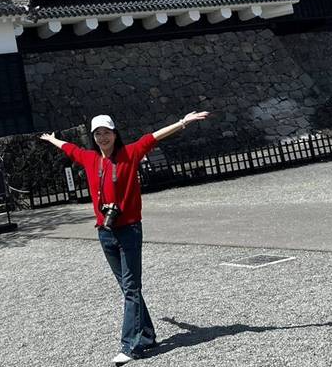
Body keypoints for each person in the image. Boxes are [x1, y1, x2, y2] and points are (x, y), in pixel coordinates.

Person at [40, 110, 210, 366]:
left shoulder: (129, 154)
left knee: (131, 288)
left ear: (114, 133)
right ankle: (148, 335)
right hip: (105, 233)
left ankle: (130, 345)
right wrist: (52, 140)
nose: (102, 137)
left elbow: (152, 137)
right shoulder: (89, 159)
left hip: (129, 230)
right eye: (97, 133)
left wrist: (183, 123)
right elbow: (70, 148)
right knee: (129, 288)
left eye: (106, 132)